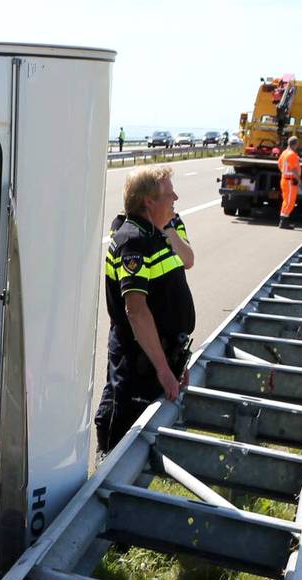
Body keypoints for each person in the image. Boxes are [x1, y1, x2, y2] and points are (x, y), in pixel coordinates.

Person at [95, 167, 196, 454]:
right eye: (168, 193)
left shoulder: (162, 231)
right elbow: (137, 311)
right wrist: (163, 368)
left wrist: (176, 363)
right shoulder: (134, 241)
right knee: (125, 428)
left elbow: (178, 277)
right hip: (140, 359)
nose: (175, 197)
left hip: (160, 353)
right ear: (148, 201)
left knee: (146, 432)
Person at [278, 135, 301, 229]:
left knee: (286, 201)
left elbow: (279, 164)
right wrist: (299, 180)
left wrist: (284, 173)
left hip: (285, 179)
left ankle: (283, 221)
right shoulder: (292, 155)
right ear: (295, 145)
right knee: (290, 202)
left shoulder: (284, 153)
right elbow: (294, 169)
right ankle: (284, 222)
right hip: (290, 181)